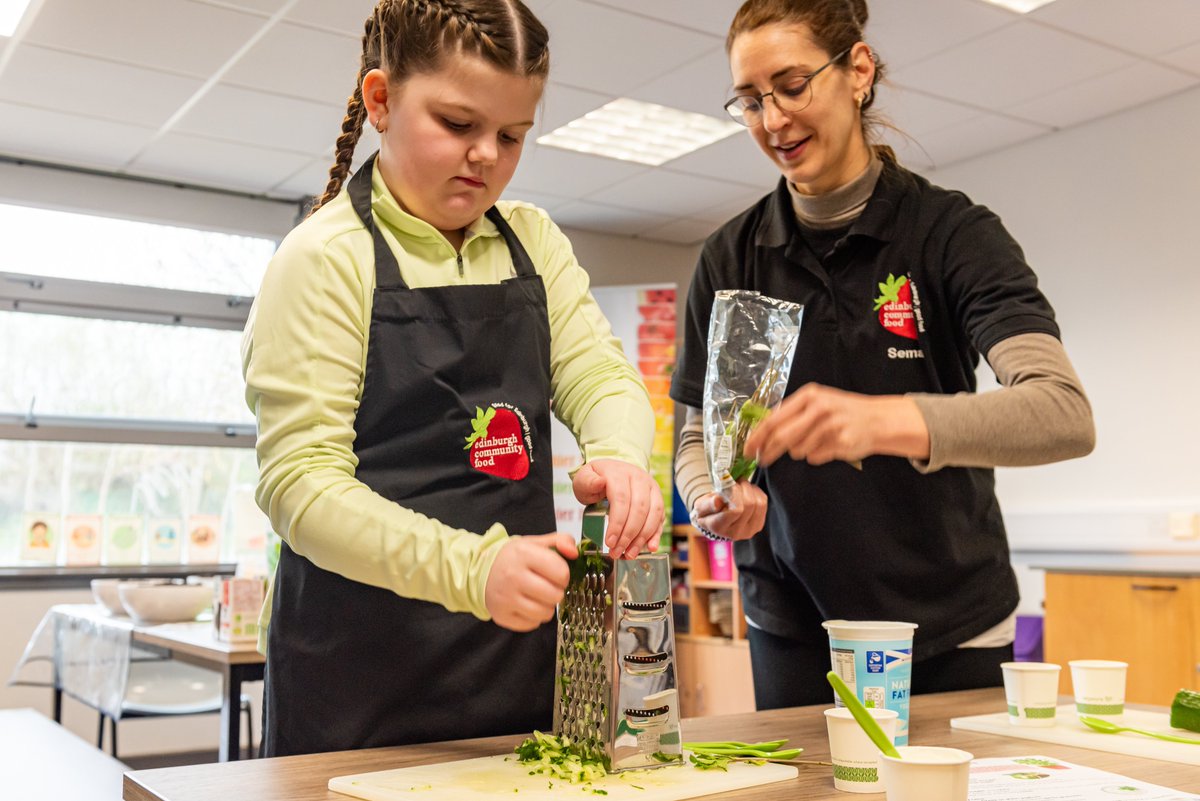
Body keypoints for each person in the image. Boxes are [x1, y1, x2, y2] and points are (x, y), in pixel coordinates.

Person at [242, 0, 663, 757]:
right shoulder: (324, 257)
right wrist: (474, 569)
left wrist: (622, 457)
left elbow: (601, 374)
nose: (486, 156)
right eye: (458, 123)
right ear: (380, 100)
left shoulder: (533, 242)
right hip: (356, 683)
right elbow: (300, 484)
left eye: (512, 135)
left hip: (512, 667)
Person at [671, 0, 1095, 710]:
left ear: (858, 71)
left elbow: (1063, 413)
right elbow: (697, 438)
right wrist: (711, 499)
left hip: (950, 624)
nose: (773, 120)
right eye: (750, 100)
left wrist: (884, 421)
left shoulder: (952, 235)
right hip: (795, 625)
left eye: (792, 85)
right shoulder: (731, 258)